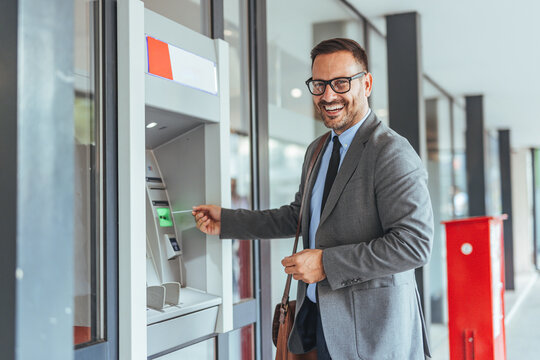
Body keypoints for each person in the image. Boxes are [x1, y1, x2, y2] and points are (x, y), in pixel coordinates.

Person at [192, 38, 433, 359]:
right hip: (319, 323)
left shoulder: (390, 151)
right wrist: (229, 220)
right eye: (319, 85)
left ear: (367, 84)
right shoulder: (318, 149)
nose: (328, 95)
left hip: (374, 334)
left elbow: (413, 245)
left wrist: (326, 264)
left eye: (341, 83)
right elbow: (298, 216)